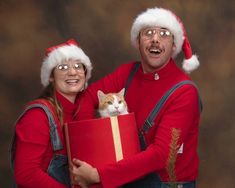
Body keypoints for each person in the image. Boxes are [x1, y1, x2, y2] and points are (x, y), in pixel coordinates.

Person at [72, 7, 202, 188]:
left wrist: (98, 174)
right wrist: (88, 148)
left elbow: (161, 155)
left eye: (164, 34)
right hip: (125, 179)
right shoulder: (128, 73)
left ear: (174, 45)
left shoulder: (185, 92)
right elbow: (86, 98)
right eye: (148, 33)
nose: (155, 39)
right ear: (138, 42)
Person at [10, 39, 92, 188]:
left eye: (78, 66)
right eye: (63, 67)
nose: (72, 72)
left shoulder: (82, 112)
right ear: (51, 77)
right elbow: (26, 174)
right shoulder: (37, 115)